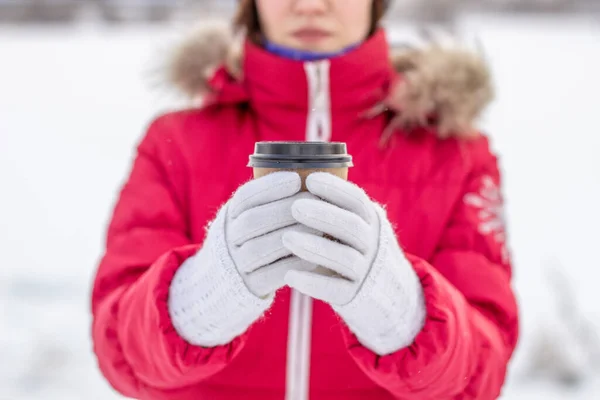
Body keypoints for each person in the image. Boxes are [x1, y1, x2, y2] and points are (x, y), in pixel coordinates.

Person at [91, 0, 519, 399]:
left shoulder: (456, 153)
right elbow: (118, 350)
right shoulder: (176, 143)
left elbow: (485, 368)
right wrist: (199, 299)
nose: (311, 5)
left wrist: (402, 310)